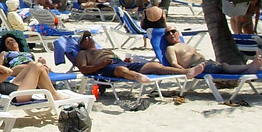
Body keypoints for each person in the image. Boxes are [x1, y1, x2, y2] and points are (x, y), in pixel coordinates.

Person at [75, 31, 203, 82]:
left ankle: (186, 72)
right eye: (86, 38)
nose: (90, 38)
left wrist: (125, 60)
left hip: (119, 62)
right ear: (81, 44)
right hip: (105, 67)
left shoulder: (104, 49)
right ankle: (137, 77)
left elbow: (118, 60)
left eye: (90, 36)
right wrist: (101, 65)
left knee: (155, 66)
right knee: (121, 70)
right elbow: (83, 69)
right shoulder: (83, 53)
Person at [0, 33, 73, 102]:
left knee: (39, 66)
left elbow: (47, 69)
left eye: (12, 40)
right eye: (7, 42)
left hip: (27, 70)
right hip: (16, 68)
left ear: (17, 42)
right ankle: (53, 94)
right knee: (36, 66)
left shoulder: (28, 54)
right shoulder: (5, 53)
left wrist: (43, 63)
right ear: (6, 47)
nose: (10, 42)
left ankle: (50, 91)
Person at [164, 26, 262, 73]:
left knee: (223, 66)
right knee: (224, 67)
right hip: (196, 67)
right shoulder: (170, 48)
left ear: (178, 33)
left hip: (205, 62)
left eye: (173, 31)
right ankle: (248, 67)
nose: (171, 34)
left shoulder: (184, 44)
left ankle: (248, 68)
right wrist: (187, 72)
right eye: (168, 33)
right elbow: (174, 64)